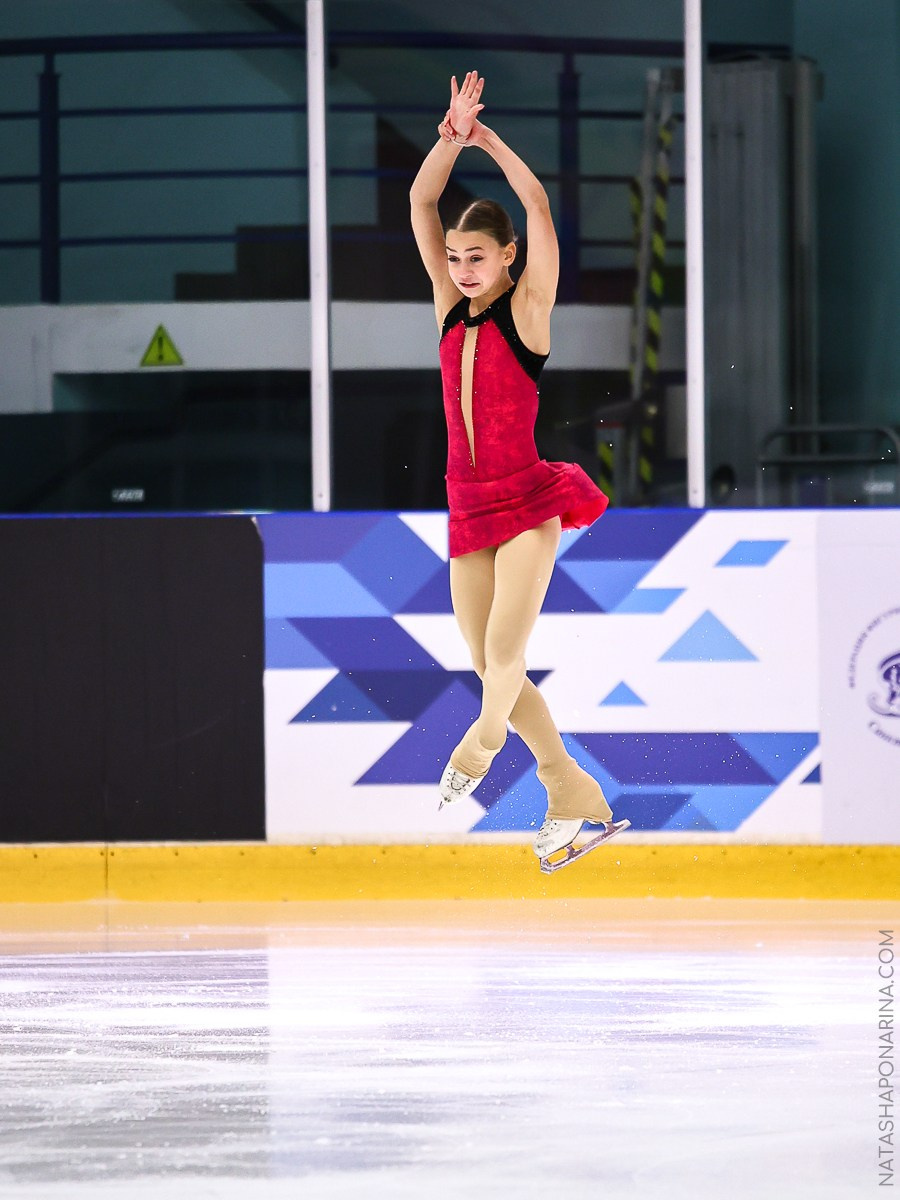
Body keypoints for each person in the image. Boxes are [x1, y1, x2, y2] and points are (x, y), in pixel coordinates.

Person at [408, 72, 629, 868]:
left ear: (508, 259)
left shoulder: (527, 311)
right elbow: (420, 207)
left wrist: (490, 141)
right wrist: (447, 138)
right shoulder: (445, 304)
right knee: (487, 662)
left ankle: (482, 745)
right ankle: (570, 790)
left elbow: (536, 206)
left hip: (529, 502)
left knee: (503, 663)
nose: (463, 267)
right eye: (456, 257)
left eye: (478, 256)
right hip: (467, 506)